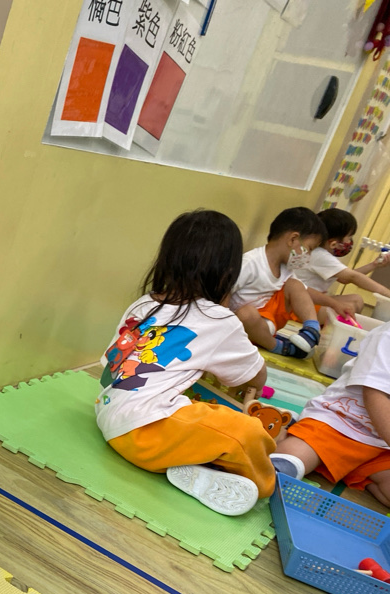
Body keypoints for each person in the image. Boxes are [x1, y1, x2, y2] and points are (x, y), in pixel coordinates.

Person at [97, 210, 303, 516]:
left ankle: (195, 466)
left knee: (202, 416)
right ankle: (266, 483)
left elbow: (109, 366)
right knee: (246, 431)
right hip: (144, 434)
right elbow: (256, 375)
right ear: (227, 273)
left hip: (108, 415)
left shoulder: (145, 303)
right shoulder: (218, 318)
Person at [274, 320, 390, 507]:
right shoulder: (386, 336)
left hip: (380, 446)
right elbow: (375, 396)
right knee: (286, 463)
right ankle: (291, 432)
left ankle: (350, 468)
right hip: (341, 424)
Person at [229, 207, 328, 358]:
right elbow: (221, 296)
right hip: (243, 326)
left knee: (295, 285)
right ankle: (280, 347)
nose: (308, 256)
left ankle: (311, 331)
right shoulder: (250, 263)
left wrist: (334, 303)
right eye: (309, 249)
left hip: (269, 322)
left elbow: (303, 291)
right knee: (247, 313)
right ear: (293, 239)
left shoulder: (286, 268)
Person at [294, 208, 390, 312]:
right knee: (348, 308)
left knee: (356, 299)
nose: (349, 241)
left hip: (309, 299)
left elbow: (344, 279)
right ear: (333, 242)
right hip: (300, 305)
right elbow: (353, 277)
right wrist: (386, 293)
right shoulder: (319, 255)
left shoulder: (320, 252)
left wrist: (374, 265)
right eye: (349, 237)